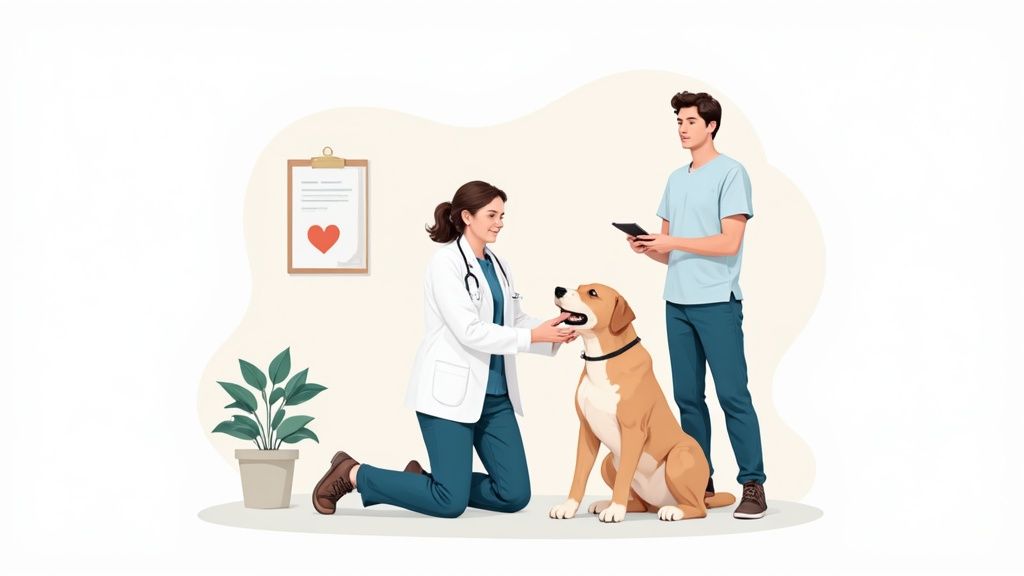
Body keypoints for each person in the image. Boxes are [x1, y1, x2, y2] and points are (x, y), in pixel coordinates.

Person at [312, 180, 575, 518]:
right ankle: (352, 473)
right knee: (449, 504)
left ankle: (422, 482)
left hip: (494, 397)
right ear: (467, 216)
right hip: (449, 395)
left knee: (514, 495)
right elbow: (469, 331)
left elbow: (516, 318)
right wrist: (532, 337)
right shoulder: (445, 264)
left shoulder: (498, 265)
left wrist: (557, 329)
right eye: (492, 214)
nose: (499, 222)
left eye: (502, 215)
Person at [628, 91, 768, 519]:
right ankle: (699, 482)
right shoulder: (676, 179)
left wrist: (671, 241)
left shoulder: (731, 173)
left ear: (711, 126)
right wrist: (649, 246)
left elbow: (729, 243)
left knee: (732, 396)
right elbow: (669, 251)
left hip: (717, 303)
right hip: (678, 303)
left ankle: (753, 485)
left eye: (690, 121)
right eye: (679, 121)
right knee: (687, 398)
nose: (683, 128)